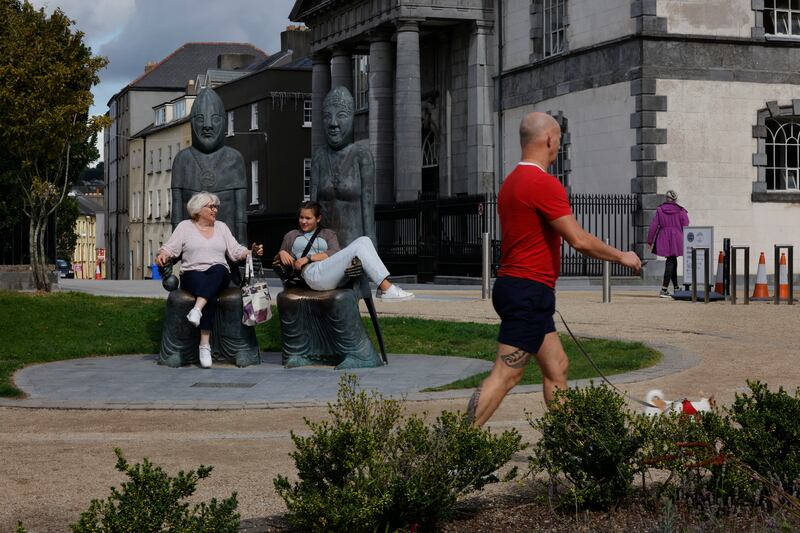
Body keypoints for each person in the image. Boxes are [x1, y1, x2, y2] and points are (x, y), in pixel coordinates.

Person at [466, 112, 642, 427]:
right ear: (549, 139)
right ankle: (451, 448)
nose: (558, 147)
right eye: (558, 140)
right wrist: (621, 256)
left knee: (557, 367)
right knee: (506, 374)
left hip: (521, 288)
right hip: (528, 291)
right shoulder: (543, 184)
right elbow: (579, 240)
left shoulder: (511, 183)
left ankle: (568, 440)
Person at [155, 191, 259, 368]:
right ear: (198, 209)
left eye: (216, 206)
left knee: (219, 269)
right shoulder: (184, 227)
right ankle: (204, 344)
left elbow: (235, 251)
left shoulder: (222, 227)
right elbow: (169, 248)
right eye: (211, 206)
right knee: (209, 292)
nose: (215, 210)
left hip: (219, 273)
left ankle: (197, 310)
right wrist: (163, 254)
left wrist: (250, 252)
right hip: (192, 273)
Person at [276, 201, 414, 301]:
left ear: (318, 218)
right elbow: (281, 260)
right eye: (301, 217)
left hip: (329, 272)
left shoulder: (327, 234)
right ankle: (387, 288)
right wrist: (281, 252)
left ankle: (384, 288)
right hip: (312, 275)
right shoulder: (292, 235)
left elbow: (335, 252)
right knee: (359, 247)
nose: (303, 221)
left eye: (308, 218)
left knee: (365, 240)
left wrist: (309, 257)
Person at [647, 190, 689, 297]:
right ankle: (664, 289)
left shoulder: (660, 210)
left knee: (672, 260)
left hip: (664, 236)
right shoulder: (681, 211)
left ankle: (676, 288)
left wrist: (650, 240)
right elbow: (686, 225)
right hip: (677, 237)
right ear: (675, 199)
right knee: (671, 261)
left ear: (666, 198)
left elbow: (653, 226)